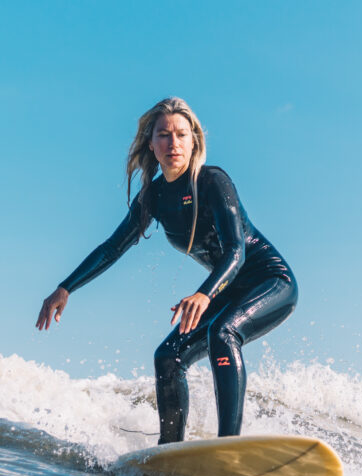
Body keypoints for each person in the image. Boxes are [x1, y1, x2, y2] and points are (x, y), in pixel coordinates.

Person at [36, 97, 297, 444]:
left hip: (270, 282)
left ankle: (228, 445)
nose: (173, 143)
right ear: (152, 145)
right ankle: (170, 451)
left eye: (181, 134)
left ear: (194, 141)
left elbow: (236, 251)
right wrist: (66, 287)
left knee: (222, 332)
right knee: (168, 357)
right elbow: (113, 247)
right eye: (163, 135)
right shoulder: (154, 198)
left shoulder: (213, 183)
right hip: (224, 290)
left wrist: (204, 294)